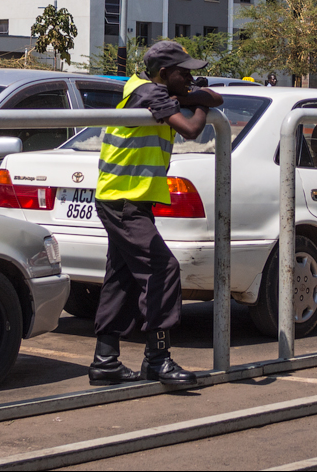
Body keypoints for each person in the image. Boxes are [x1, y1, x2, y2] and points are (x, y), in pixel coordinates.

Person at [88, 41, 225, 387]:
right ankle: (158, 359)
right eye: (184, 72)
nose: (191, 77)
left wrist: (196, 96)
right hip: (123, 201)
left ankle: (105, 361)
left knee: (120, 279)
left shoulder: (151, 91)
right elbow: (193, 129)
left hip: (126, 199)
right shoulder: (150, 95)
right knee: (163, 269)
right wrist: (201, 101)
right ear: (164, 74)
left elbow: (212, 97)